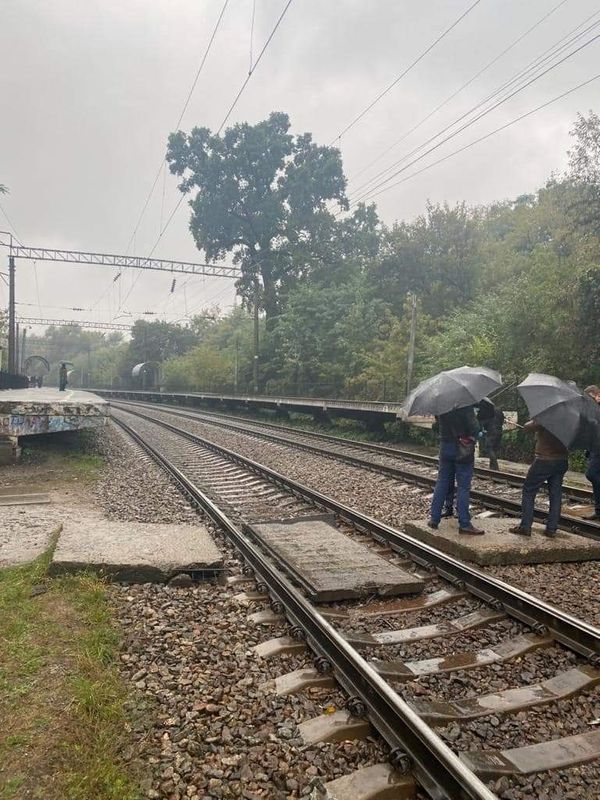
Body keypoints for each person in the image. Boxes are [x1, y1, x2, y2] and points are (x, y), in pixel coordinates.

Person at [428, 405, 484, 535]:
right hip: (462, 448)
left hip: (445, 446)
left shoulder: (441, 406)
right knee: (463, 486)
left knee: (442, 482)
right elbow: (475, 428)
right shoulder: (465, 405)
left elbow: (436, 427)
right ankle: (464, 523)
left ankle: (434, 519)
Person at [509, 420, 568, 538]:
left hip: (544, 460)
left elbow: (527, 427)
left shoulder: (548, 415)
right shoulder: (571, 419)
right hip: (562, 460)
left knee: (528, 491)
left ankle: (525, 526)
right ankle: (551, 529)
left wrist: (535, 419)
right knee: (556, 495)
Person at [584, 385, 600, 520]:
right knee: (594, 477)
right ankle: (598, 510)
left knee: (592, 474)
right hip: (594, 448)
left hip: (598, 449)